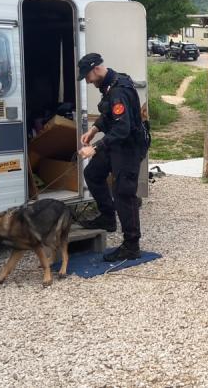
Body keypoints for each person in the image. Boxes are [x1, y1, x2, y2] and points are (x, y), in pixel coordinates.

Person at [76, 53, 148, 261]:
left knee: (124, 192)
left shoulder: (119, 90)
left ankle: (131, 245)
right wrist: (95, 129)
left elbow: (123, 128)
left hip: (129, 146)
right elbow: (110, 115)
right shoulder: (110, 85)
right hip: (116, 142)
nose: (87, 81)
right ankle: (108, 218)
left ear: (96, 69)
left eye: (87, 76)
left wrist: (95, 147)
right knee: (93, 173)